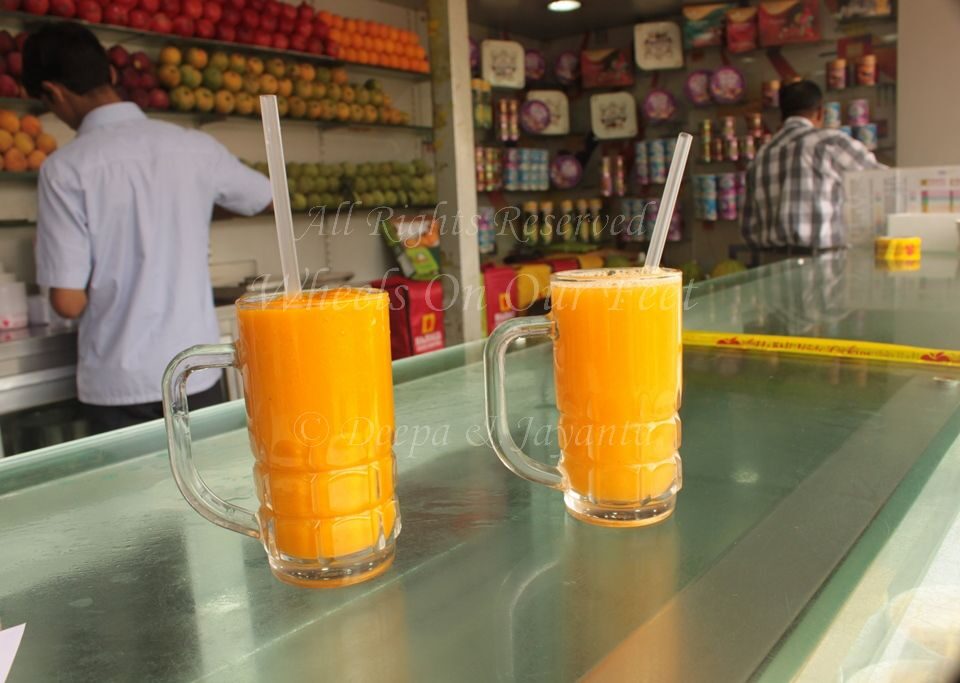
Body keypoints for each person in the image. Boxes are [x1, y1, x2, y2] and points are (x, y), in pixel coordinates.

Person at [22, 23, 273, 434]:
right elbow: (265, 196)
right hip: (198, 370)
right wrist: (194, 210)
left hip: (121, 383)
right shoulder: (192, 146)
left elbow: (68, 302)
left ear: (53, 92)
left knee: (134, 498)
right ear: (113, 75)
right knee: (210, 492)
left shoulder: (65, 168)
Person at [741, 79, 881, 252]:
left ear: (782, 115)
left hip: (772, 266)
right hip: (824, 264)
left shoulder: (761, 156)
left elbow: (748, 228)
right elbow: (883, 182)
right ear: (820, 113)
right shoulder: (830, 143)